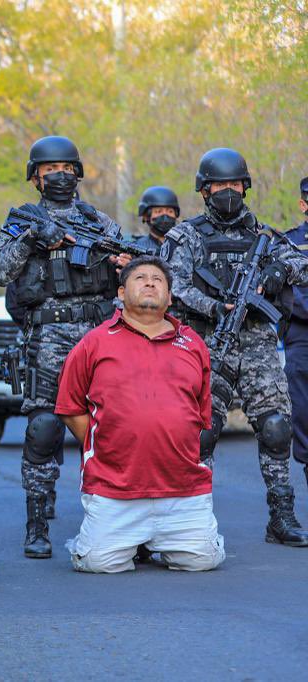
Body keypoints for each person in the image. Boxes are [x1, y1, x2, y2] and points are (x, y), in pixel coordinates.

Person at [0, 135, 131, 559]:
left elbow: (133, 267)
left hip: (100, 333)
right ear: (35, 178)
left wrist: (126, 266)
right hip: (49, 336)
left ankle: (118, 516)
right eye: (50, 170)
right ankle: (36, 523)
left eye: (66, 169)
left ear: (79, 174)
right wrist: (33, 239)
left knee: (115, 427)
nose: (59, 176)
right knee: (44, 428)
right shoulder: (23, 221)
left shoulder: (100, 223)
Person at [162, 148, 308, 547]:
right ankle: (194, 518)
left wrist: (281, 270)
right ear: (204, 190)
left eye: (233, 185)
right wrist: (215, 306)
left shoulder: (263, 235)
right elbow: (172, 285)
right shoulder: (185, 236)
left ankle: (282, 516)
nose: (227, 192)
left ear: (244, 188)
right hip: (209, 343)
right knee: (203, 432)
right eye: (218, 186)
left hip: (259, 344)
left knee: (277, 429)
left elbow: (301, 261)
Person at [55, 256, 225, 573]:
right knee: (97, 563)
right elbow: (70, 406)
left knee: (205, 560)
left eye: (158, 279)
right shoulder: (95, 342)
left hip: (182, 488)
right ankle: (124, 539)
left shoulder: (193, 343)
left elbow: (200, 415)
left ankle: (154, 539)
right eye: (140, 278)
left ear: (170, 298)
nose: (149, 282)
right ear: (120, 294)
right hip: (115, 487)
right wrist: (103, 442)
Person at [282, 177, 308, 488]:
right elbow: (291, 294)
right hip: (302, 335)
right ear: (303, 205)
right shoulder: (289, 243)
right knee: (302, 410)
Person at [134, 186, 180, 252]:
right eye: (158, 211)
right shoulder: (136, 248)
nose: (165, 216)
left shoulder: (187, 247)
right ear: (146, 216)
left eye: (170, 211)